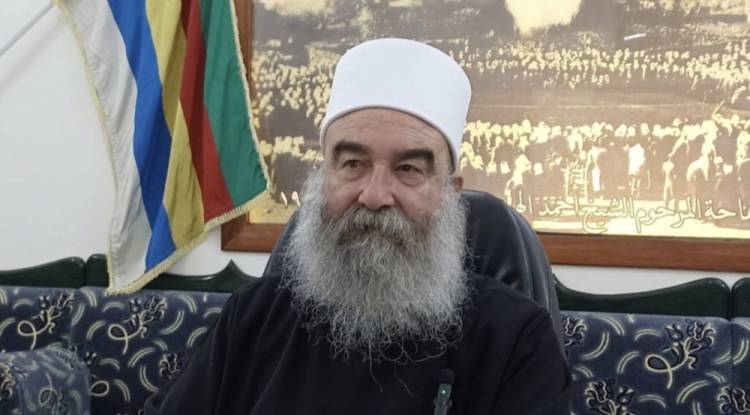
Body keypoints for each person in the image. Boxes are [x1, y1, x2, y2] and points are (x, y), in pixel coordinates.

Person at [145, 38, 570, 414]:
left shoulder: (516, 340)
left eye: (408, 169)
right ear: (322, 177)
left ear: (448, 193)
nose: (374, 195)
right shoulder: (253, 318)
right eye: (352, 164)